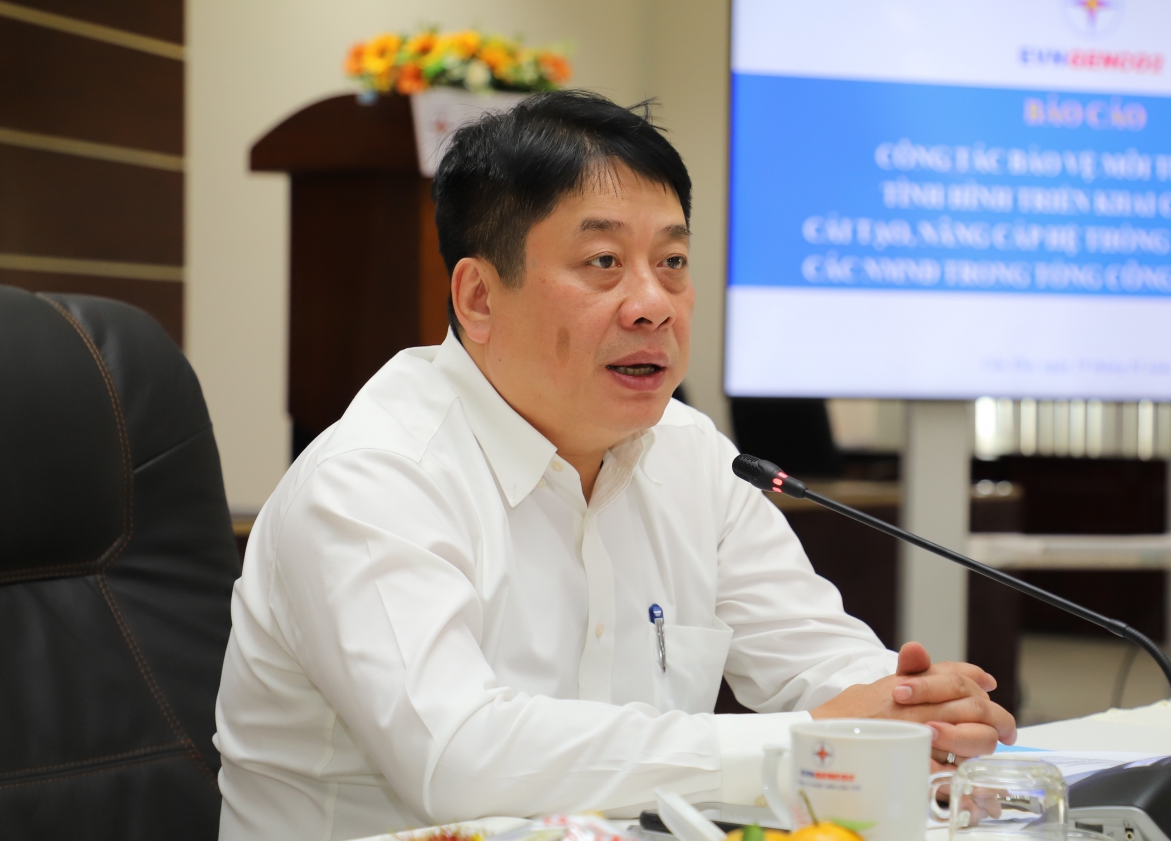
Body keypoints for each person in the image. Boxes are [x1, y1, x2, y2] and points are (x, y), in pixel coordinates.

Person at [214, 92, 1016, 841]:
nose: (653, 304)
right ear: (479, 298)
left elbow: (818, 660)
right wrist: (816, 740)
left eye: (672, 262)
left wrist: (916, 711)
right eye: (603, 262)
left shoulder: (694, 455)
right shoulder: (373, 480)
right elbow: (460, 759)